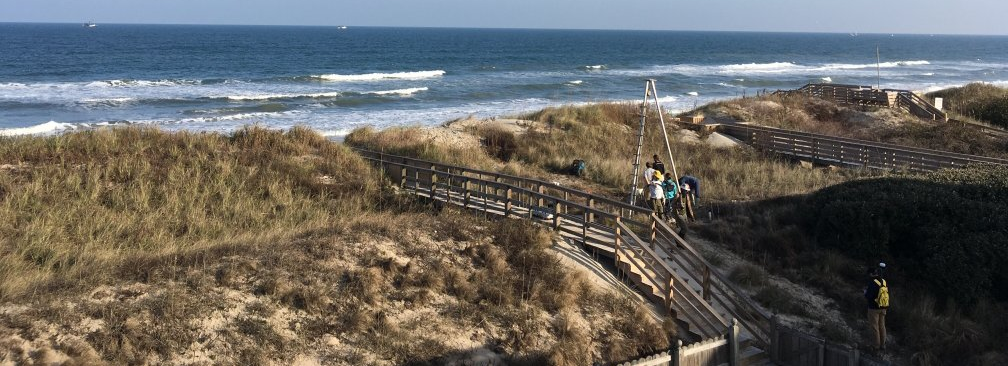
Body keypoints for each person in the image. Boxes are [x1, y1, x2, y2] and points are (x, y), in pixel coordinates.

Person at [864, 265, 890, 353]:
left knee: (874, 327)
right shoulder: (883, 281)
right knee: (882, 326)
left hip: (874, 308)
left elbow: (869, 296)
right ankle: (883, 345)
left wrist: (865, 293)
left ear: (871, 274)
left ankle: (876, 346)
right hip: (883, 307)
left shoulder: (872, 282)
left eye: (868, 274)